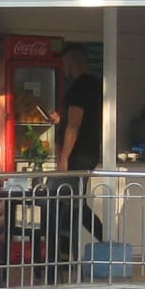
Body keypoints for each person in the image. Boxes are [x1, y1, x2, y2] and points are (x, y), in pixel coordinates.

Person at [46, 42, 109, 275]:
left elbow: (74, 124)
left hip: (77, 155)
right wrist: (59, 119)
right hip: (87, 153)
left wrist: (63, 158)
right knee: (74, 203)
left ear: (73, 61)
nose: (64, 68)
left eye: (65, 63)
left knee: (67, 203)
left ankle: (73, 252)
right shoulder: (93, 85)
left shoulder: (80, 87)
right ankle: (94, 243)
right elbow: (71, 120)